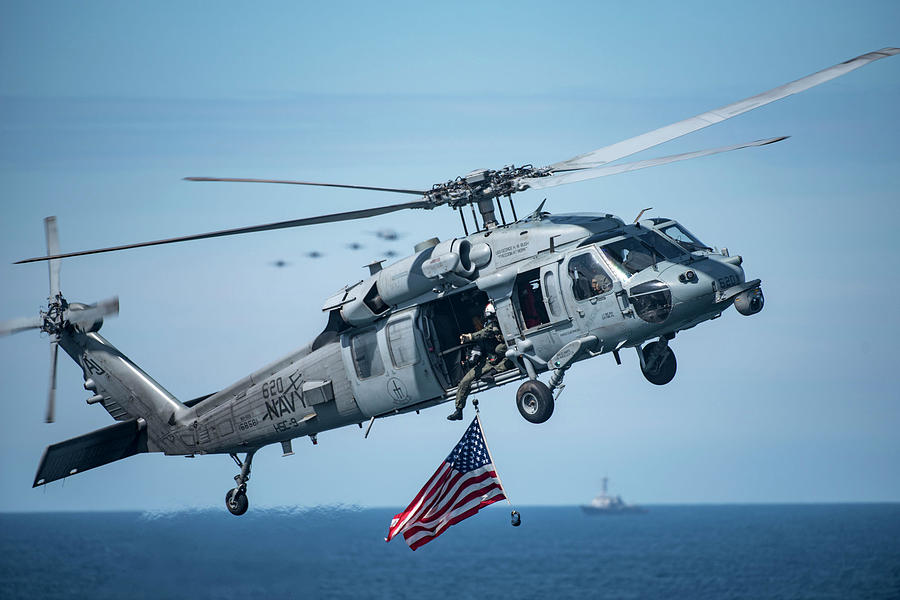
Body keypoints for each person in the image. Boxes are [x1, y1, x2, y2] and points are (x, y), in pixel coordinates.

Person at [447, 302, 516, 421]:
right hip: (489, 360)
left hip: (502, 358)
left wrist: (469, 337)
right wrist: (472, 359)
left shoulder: (496, 327)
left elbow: (484, 333)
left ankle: (494, 372)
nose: (492, 321)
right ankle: (459, 410)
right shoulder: (486, 329)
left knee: (505, 352)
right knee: (465, 381)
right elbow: (480, 344)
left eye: (493, 318)